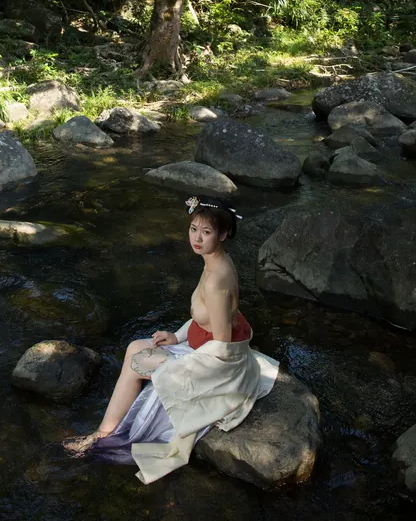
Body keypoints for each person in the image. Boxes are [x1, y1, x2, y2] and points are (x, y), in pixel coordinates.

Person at [64, 195, 279, 483]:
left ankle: (102, 436)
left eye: (206, 232)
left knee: (137, 362)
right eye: (193, 229)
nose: (197, 239)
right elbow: (209, 319)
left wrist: (179, 368)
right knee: (136, 347)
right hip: (205, 348)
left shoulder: (217, 279)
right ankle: (105, 430)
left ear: (223, 234)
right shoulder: (215, 261)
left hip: (217, 367)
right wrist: (176, 336)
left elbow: (223, 346)